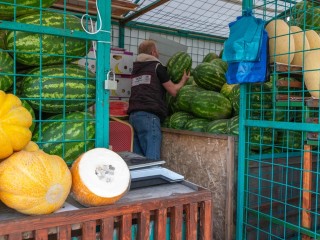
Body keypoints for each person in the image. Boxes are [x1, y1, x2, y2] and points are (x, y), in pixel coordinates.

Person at [127, 40, 190, 160]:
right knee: (152, 159)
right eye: (158, 51)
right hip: (149, 116)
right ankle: (152, 178)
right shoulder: (157, 67)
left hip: (133, 117)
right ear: (153, 52)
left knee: (138, 159)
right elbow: (173, 91)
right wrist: (183, 80)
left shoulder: (136, 69)